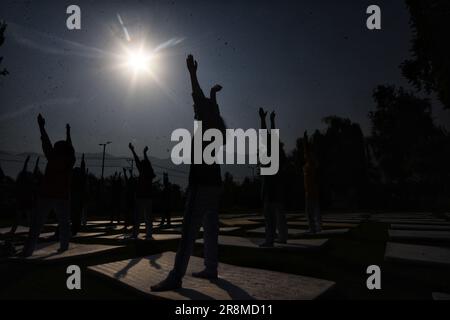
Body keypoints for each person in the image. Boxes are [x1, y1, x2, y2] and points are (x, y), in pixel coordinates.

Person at [151, 54, 225, 292]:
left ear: (205, 111)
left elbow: (196, 96)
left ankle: (175, 277)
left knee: (188, 232)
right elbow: (206, 104)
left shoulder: (206, 123)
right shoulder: (218, 127)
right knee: (211, 228)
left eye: (199, 108)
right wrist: (213, 97)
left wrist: (192, 73)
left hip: (201, 184)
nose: (195, 109)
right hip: (214, 184)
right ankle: (211, 268)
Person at [22, 114, 75, 257]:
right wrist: (68, 133)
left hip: (48, 194)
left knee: (37, 224)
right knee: (64, 224)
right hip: (61, 195)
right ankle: (64, 247)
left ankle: (28, 251)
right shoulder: (69, 161)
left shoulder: (53, 156)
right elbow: (66, 146)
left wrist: (41, 126)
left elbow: (46, 141)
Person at [258, 109, 288, 247]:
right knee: (277, 213)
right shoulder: (270, 149)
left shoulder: (271, 149)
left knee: (271, 214)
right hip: (272, 185)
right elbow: (267, 132)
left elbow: (268, 132)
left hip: (272, 185)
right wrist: (267, 119)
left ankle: (272, 238)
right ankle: (280, 236)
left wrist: (267, 120)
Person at [128, 144, 155, 239]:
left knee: (138, 217)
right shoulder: (150, 172)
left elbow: (137, 160)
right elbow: (142, 161)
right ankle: (148, 234)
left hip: (141, 196)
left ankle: (136, 234)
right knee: (147, 217)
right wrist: (144, 153)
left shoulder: (144, 171)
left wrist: (133, 150)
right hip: (147, 197)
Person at [303, 131, 322, 233]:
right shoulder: (308, 164)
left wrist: (305, 140)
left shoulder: (311, 164)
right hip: (309, 190)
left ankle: (315, 227)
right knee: (312, 210)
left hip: (312, 190)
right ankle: (314, 227)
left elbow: (307, 150)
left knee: (313, 210)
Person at [10, 156, 34, 234]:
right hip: (25, 200)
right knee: (27, 217)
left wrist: (26, 162)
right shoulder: (27, 182)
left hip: (23, 200)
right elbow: (24, 170)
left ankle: (13, 230)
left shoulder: (22, 182)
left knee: (20, 217)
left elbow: (24, 170)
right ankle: (32, 231)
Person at [70, 154, 87, 236]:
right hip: (76, 199)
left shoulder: (75, 179)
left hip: (75, 199)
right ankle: (74, 229)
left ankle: (74, 229)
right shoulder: (78, 179)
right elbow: (83, 171)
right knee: (75, 215)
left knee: (74, 215)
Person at [122, 168, 136, 235]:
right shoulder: (132, 186)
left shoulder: (130, 186)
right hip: (130, 200)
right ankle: (129, 225)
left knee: (128, 213)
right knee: (129, 213)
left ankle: (128, 225)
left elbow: (127, 178)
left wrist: (126, 172)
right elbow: (127, 178)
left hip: (129, 200)